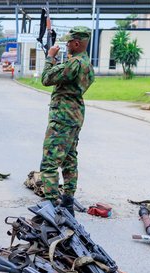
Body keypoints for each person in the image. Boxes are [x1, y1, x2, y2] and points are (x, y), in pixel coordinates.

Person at [39, 26, 95, 216]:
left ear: (77, 43)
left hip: (62, 118)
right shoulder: (86, 63)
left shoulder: (74, 64)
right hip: (75, 116)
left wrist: (50, 56)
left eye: (69, 42)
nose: (66, 44)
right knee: (70, 159)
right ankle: (68, 204)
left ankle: (50, 208)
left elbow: (46, 78)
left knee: (49, 162)